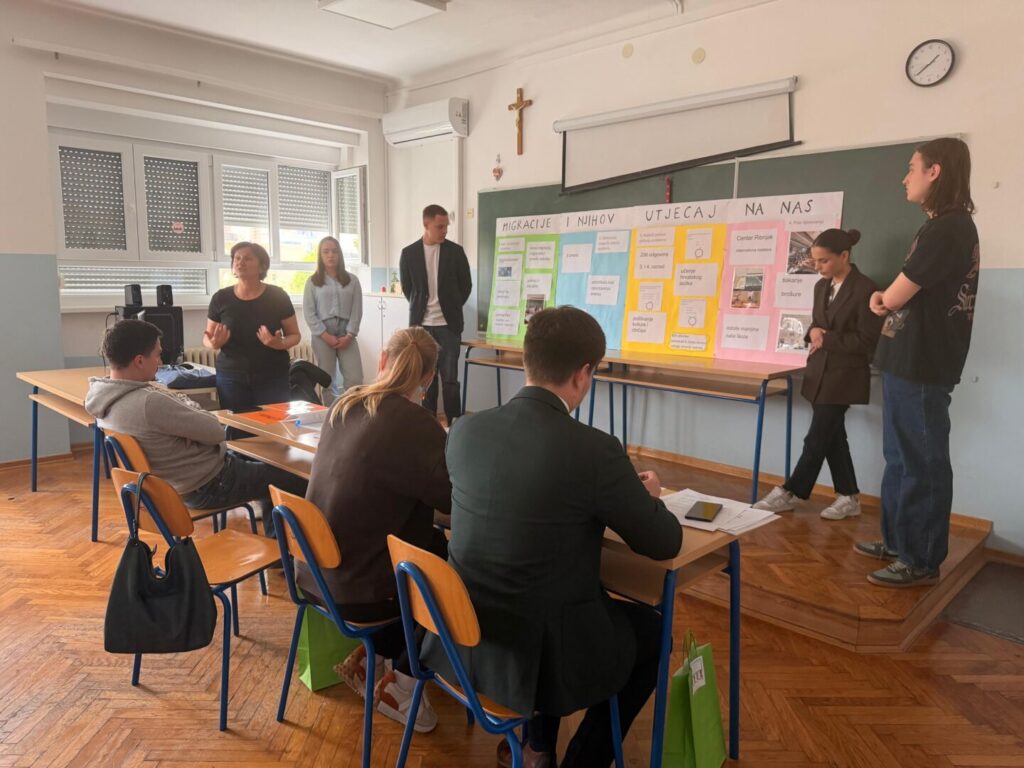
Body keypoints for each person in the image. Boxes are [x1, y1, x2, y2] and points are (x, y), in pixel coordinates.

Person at [425, 306, 682, 768]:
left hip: (462, 633)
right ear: (583, 374)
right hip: (541, 652)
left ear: (528, 360)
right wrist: (651, 497)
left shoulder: (464, 429)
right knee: (654, 629)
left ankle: (537, 748)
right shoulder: (595, 450)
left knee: (545, 585)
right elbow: (665, 542)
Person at [300, 327, 450, 733]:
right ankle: (402, 685)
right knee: (450, 571)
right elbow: (451, 501)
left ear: (382, 359)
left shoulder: (344, 403)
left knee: (419, 547)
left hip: (314, 574)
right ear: (429, 377)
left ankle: (372, 659)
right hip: (357, 592)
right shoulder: (419, 426)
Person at [856, 138, 980, 588]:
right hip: (905, 359)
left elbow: (896, 294)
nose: (905, 178)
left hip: (923, 363)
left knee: (922, 461)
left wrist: (879, 299)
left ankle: (921, 558)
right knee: (899, 455)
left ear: (935, 171)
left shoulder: (950, 226)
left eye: (912, 168)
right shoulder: (938, 226)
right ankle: (898, 542)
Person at [85, 320, 307, 533]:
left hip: (173, 485)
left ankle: (279, 544)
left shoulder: (102, 399)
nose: (160, 362)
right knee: (293, 477)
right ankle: (293, 550)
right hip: (208, 484)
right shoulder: (149, 402)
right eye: (157, 354)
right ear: (139, 361)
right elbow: (215, 431)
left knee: (262, 462)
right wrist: (186, 403)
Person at [755, 228, 883, 520]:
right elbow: (818, 324)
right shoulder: (821, 287)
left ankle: (790, 491)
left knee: (816, 438)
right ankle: (849, 496)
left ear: (844, 256)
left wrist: (828, 339)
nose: (817, 267)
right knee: (832, 435)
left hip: (844, 376)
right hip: (819, 373)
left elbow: (868, 342)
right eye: (814, 261)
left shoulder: (866, 289)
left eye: (823, 261)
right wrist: (812, 332)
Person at [204, 242, 300, 436]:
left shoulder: (277, 296)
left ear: (262, 266)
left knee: (274, 431)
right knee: (238, 432)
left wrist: (278, 343)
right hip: (232, 376)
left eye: (248, 258)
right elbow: (207, 337)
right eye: (237, 258)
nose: (240, 262)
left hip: (272, 375)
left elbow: (295, 335)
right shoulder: (221, 298)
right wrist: (214, 343)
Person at [399, 204, 472, 424]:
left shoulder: (455, 252)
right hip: (421, 327)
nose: (444, 231)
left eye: (446, 226)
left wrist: (451, 306)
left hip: (448, 326)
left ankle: (455, 425)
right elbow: (408, 289)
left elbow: (466, 286)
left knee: (450, 380)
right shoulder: (409, 254)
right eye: (440, 226)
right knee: (426, 380)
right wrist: (422, 307)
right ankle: (428, 424)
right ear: (426, 225)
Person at [303, 236, 364, 406]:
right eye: (326, 252)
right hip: (323, 333)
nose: (331, 255)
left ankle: (351, 412)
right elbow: (309, 312)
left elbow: (357, 310)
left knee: (355, 378)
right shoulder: (312, 282)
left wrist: (350, 335)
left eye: (335, 251)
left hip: (347, 332)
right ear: (320, 255)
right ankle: (331, 415)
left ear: (340, 254)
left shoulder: (352, 280)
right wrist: (324, 335)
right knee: (327, 380)